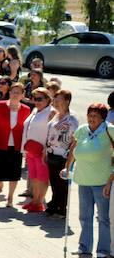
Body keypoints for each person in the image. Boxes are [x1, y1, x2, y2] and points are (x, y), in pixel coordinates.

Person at [65, 103, 113, 258]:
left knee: (103, 218)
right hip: (83, 179)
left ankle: (103, 250)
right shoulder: (82, 130)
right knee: (85, 216)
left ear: (102, 118)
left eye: (95, 116)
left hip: (102, 181)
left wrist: (110, 180)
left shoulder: (110, 130)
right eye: (90, 115)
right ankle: (84, 247)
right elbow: (73, 148)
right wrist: (67, 167)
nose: (92, 119)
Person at [0, 83, 30, 207]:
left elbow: (27, 128)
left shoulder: (26, 109)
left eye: (18, 92)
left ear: (23, 95)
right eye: (12, 91)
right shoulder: (0, 105)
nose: (14, 94)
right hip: (0, 143)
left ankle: (10, 199)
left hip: (16, 146)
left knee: (14, 174)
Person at [44, 89, 78, 218]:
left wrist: (70, 157)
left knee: (61, 183)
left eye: (59, 100)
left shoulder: (72, 118)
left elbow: (74, 139)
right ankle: (54, 203)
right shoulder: (56, 115)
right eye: (55, 100)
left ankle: (62, 208)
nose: (56, 103)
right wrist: (45, 150)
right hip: (52, 152)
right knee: (53, 181)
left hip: (64, 155)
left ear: (67, 101)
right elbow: (49, 133)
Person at [21, 87, 54, 213]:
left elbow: (53, 132)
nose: (36, 101)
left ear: (48, 99)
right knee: (33, 177)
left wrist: (46, 148)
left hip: (41, 150)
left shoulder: (51, 112)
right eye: (34, 98)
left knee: (42, 178)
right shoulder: (35, 110)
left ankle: (39, 203)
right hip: (31, 149)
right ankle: (34, 201)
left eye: (39, 99)